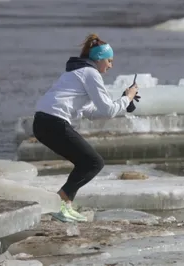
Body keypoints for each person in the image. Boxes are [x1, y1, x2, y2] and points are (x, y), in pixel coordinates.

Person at [32, 33, 139, 222]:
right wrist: (128, 97)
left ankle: (65, 205)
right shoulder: (90, 73)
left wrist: (122, 101)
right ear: (99, 58)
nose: (110, 65)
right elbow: (107, 110)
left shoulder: (77, 72)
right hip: (53, 122)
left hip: (43, 123)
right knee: (93, 163)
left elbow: (91, 111)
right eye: (109, 60)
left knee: (86, 163)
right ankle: (60, 203)